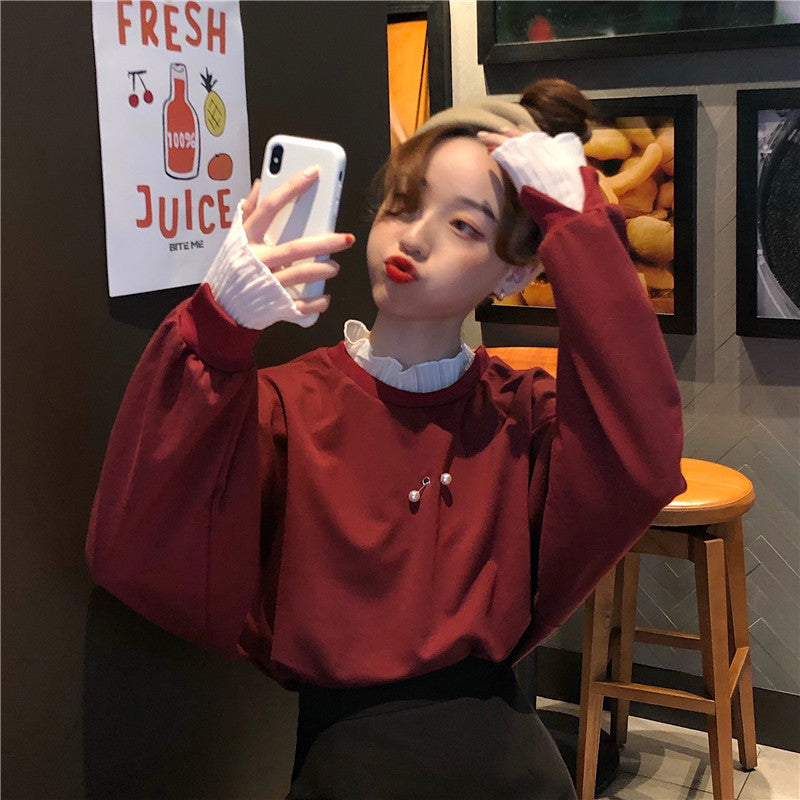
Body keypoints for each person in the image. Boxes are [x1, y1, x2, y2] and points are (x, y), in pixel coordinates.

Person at [87, 80, 685, 799]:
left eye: (464, 226)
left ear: (515, 272)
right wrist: (213, 328)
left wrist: (581, 229)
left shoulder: (519, 418)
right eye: (403, 204)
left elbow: (641, 460)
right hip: (346, 770)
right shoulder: (286, 408)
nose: (415, 236)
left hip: (512, 774)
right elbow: (134, 544)